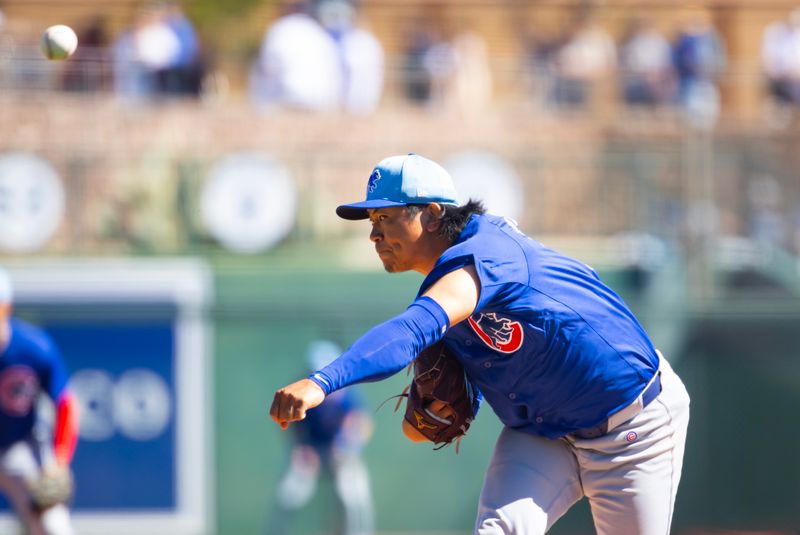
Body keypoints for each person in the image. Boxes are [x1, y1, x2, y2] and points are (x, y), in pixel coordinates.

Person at [270, 153, 691, 534]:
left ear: (432, 215)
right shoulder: (446, 291)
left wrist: (323, 382)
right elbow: (418, 431)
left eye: (385, 218)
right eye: (372, 222)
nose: (374, 235)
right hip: (541, 434)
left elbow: (410, 331)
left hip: (634, 426)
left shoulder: (485, 256)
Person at [0, 268, 79, 535]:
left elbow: (65, 403)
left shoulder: (33, 348)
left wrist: (58, 460)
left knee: (54, 526)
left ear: (5, 308)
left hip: (19, 445)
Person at [267, 340, 374, 535]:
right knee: (289, 493)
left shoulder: (348, 393)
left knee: (353, 495)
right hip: (312, 452)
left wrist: (346, 446)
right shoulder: (302, 393)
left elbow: (362, 424)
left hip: (342, 454)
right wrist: (302, 448)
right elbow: (291, 428)